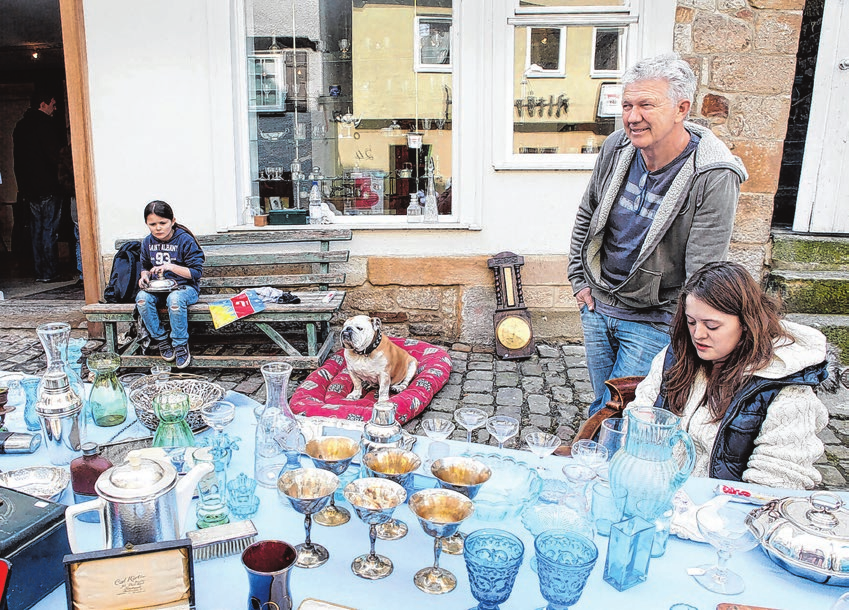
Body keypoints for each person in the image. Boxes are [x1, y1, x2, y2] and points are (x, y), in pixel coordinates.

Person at [568, 53, 748, 416]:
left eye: (646, 105)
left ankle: (597, 465)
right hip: (598, 305)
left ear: (681, 108)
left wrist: (680, 326)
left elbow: (704, 268)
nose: (633, 117)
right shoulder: (617, 147)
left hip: (653, 318)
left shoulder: (712, 175)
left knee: (621, 411)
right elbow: (588, 213)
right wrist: (578, 279)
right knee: (605, 402)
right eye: (628, 105)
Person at [628, 261, 829, 489]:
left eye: (712, 326)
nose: (698, 335)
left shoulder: (784, 387)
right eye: (691, 322)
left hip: (722, 511)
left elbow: (774, 482)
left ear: (746, 323)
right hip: (655, 491)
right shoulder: (677, 356)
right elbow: (638, 417)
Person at [136, 201, 205, 369]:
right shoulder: (147, 242)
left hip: (185, 289)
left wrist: (171, 267)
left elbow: (196, 273)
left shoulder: (184, 240)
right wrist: (144, 276)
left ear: (172, 221)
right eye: (152, 224)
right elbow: (144, 266)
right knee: (141, 298)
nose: (158, 228)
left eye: (162, 223)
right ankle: (161, 340)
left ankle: (180, 344)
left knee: (175, 299)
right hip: (158, 290)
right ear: (147, 224)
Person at [13, 89, 64, 282]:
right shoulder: (46, 126)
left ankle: (39, 271)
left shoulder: (20, 127)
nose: (55, 108)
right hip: (49, 186)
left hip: (29, 188)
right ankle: (49, 272)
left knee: (36, 229)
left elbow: (17, 160)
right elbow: (55, 158)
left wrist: (22, 185)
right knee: (49, 230)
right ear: (42, 104)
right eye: (53, 104)